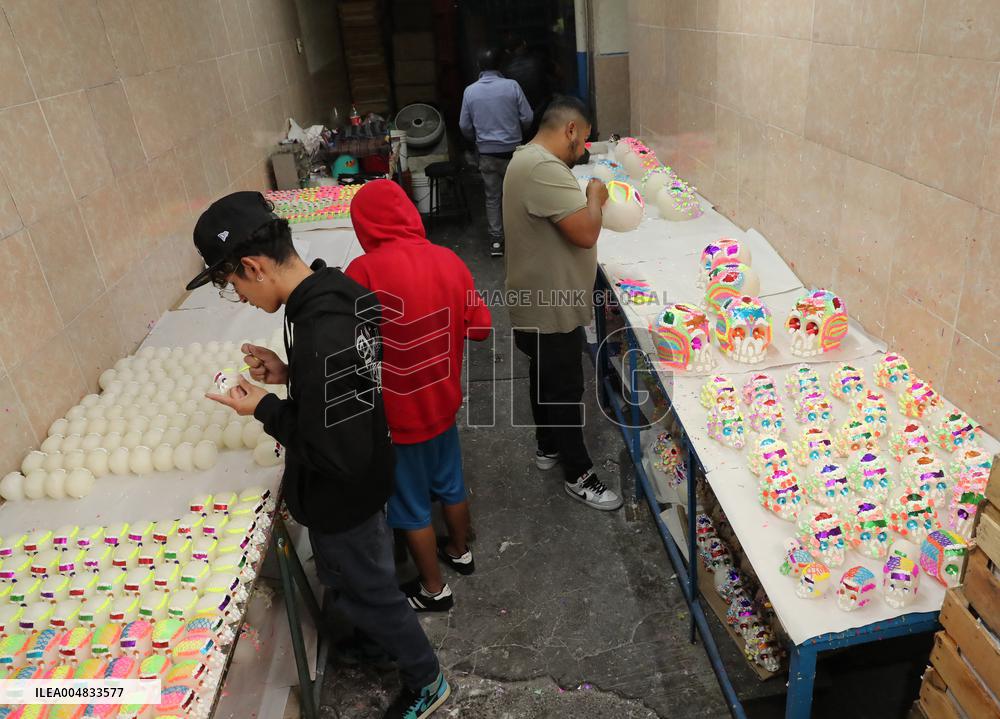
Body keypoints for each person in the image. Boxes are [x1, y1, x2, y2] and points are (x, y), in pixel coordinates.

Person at [188, 192, 450, 719]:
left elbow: (332, 448)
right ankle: (374, 640)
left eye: (234, 284)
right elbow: (346, 390)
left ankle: (427, 680)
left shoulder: (319, 329)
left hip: (344, 499)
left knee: (373, 592)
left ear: (253, 266)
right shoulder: (334, 292)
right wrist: (294, 376)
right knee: (359, 585)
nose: (239, 295)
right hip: (369, 477)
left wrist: (264, 406)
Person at [345, 180, 492, 612]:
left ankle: (432, 589)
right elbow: (480, 328)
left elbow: (353, 346)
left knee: (409, 506)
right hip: (443, 404)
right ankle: (460, 550)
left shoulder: (363, 271)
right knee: (450, 481)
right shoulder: (448, 260)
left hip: (397, 416)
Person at [502, 95, 622, 512]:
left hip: (536, 298)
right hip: (550, 305)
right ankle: (579, 474)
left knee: (543, 374)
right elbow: (586, 232)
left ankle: (547, 445)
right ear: (570, 129)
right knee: (565, 389)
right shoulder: (542, 168)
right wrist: (594, 195)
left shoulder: (525, 159)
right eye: (584, 139)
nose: (585, 149)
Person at [459, 47, 533, 257]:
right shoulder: (512, 86)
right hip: (513, 153)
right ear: (501, 66)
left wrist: (477, 140)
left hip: (487, 155)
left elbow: (464, 126)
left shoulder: (470, 91)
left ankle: (496, 243)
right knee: (517, 196)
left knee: (492, 197)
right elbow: (527, 117)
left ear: (478, 67)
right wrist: (517, 132)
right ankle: (520, 240)